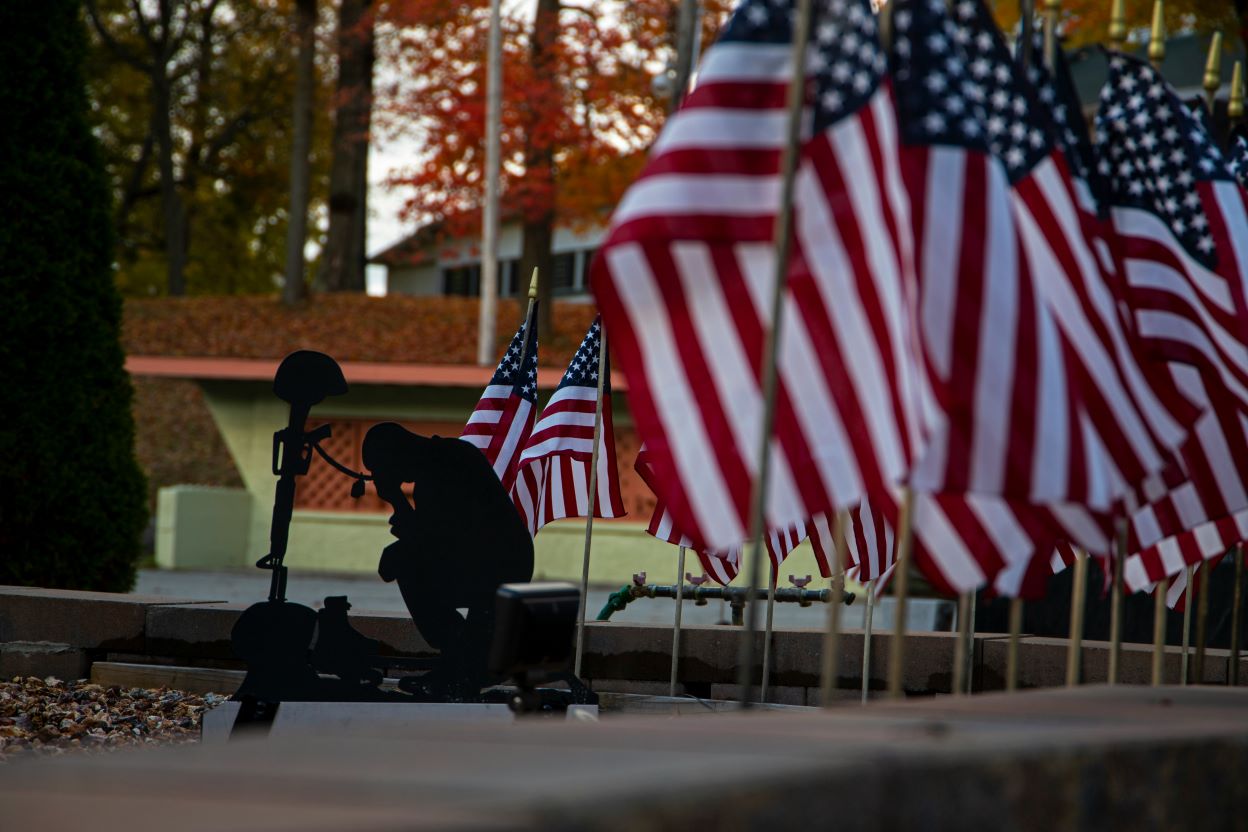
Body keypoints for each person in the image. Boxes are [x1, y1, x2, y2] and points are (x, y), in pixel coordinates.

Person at [362, 422, 534, 698]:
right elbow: (430, 536)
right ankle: (458, 658)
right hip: (486, 561)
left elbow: (434, 540)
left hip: (496, 565)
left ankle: (458, 658)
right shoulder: (442, 462)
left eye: (386, 468)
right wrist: (396, 498)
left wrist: (396, 499)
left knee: (405, 562)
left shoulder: (446, 464)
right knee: (406, 559)